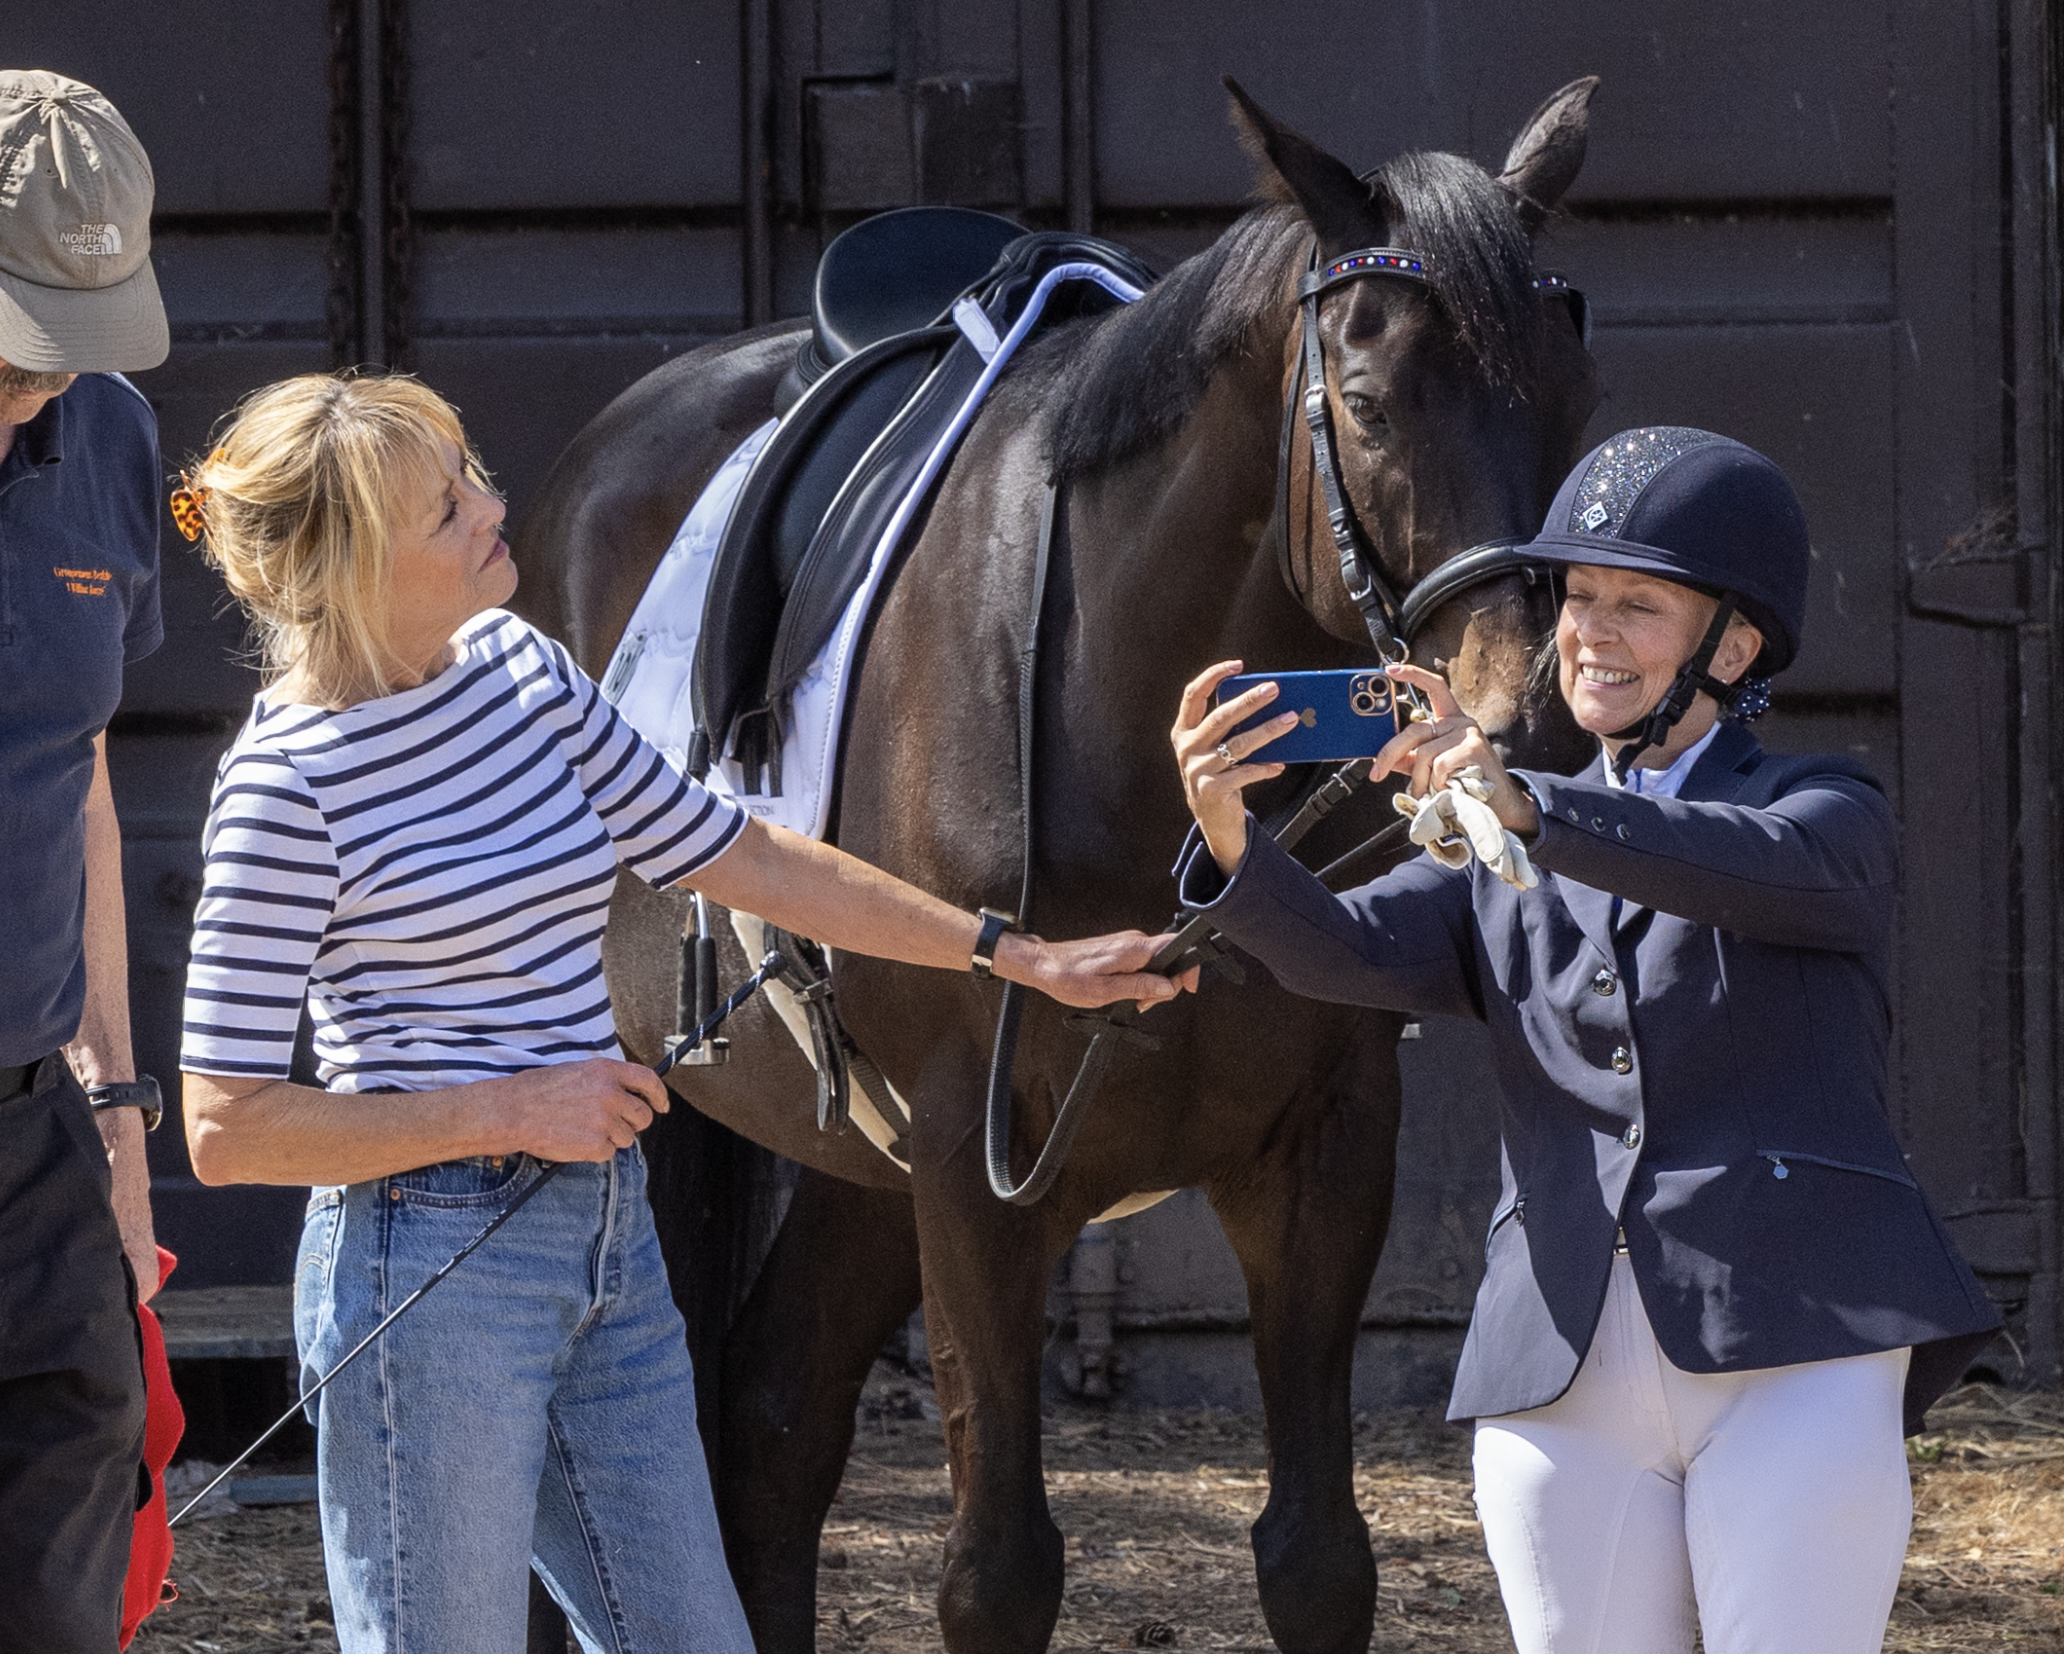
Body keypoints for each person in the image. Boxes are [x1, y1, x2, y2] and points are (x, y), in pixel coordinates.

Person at [173, 371, 1172, 1653]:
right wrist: (517, 1104)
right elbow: (227, 1127)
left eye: (471, 472)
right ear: (354, 568)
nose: (494, 506)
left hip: (606, 1244)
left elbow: (742, 858)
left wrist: (1008, 953)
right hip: (422, 1274)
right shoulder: (283, 790)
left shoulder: (520, 669)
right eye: (446, 508)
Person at [1165, 428, 2001, 1654]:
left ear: (1736, 644)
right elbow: (1341, 948)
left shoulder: (1826, 810)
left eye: (1638, 603)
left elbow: (1738, 864)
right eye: (1578, 598)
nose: (1590, 631)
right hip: (1558, 1362)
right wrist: (1232, 840)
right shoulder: (1497, 835)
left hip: (1795, 1342)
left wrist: (1527, 802)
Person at [0, 70, 172, 1654]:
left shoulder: (106, 435)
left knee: (75, 1488)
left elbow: (84, 771)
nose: (35, 384)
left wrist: (116, 1118)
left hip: (32, 1134)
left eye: (71, 338)